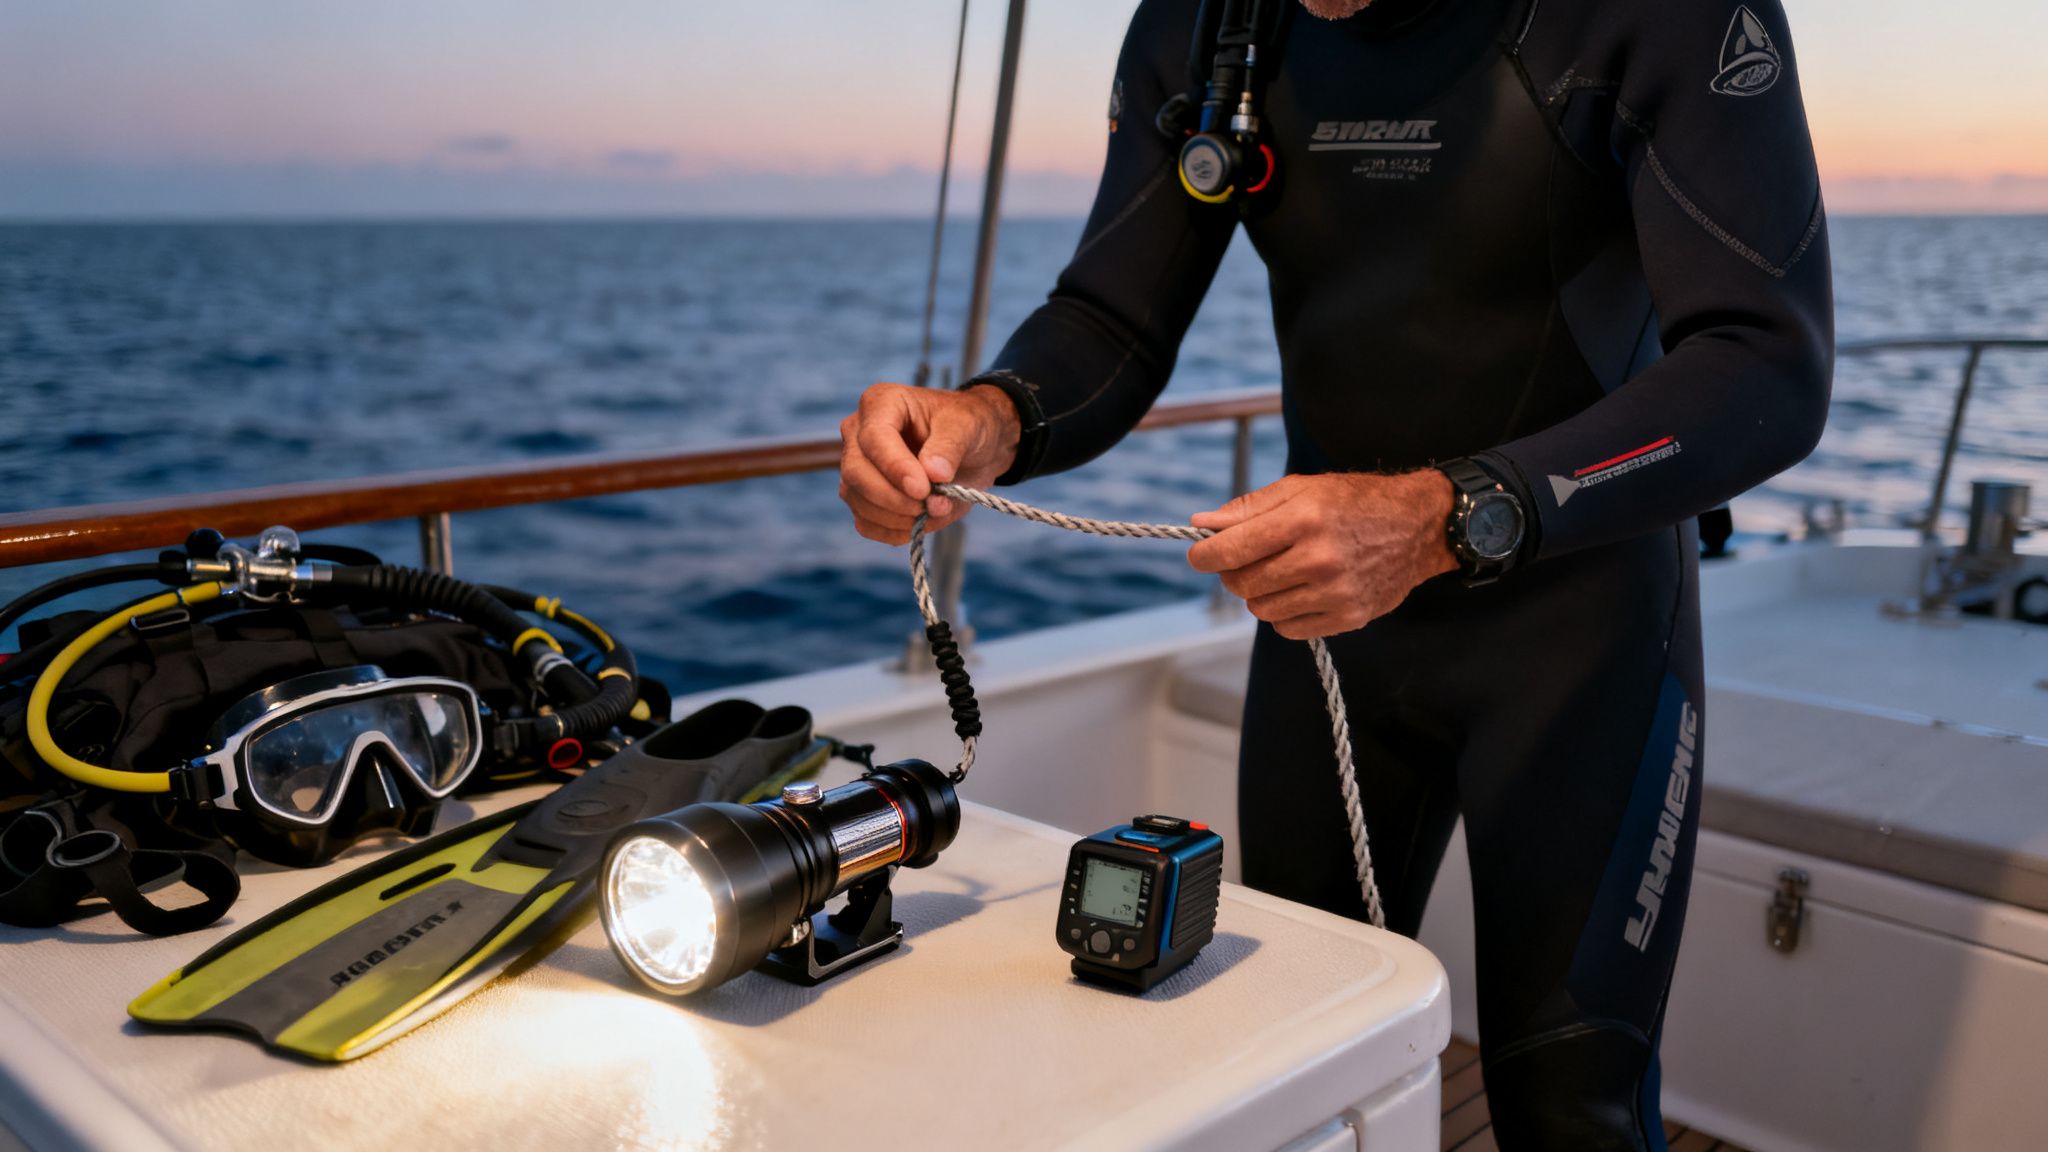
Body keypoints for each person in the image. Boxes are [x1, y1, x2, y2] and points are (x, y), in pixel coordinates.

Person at [838, 0, 1831, 1146]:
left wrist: (1440, 515)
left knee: (1571, 1110)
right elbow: (1112, 317)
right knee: (1293, 1068)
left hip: (1582, 633)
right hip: (1329, 640)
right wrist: (988, 414)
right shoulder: (1209, 24)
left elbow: (1764, 365)